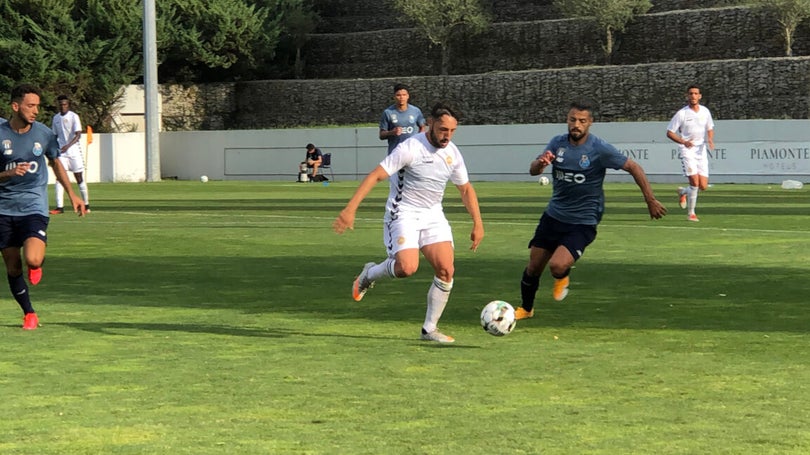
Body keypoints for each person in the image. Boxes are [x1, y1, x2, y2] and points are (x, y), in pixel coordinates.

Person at [334, 102, 484, 343]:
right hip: (403, 212)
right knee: (407, 268)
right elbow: (376, 175)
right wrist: (350, 209)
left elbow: (465, 189)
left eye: (452, 131)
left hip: (433, 215)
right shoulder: (411, 147)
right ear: (431, 124)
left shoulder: (452, 153)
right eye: (443, 129)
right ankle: (369, 274)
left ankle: (429, 329)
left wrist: (478, 223)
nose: (448, 136)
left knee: (446, 270)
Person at [515, 100, 666, 320]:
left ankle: (562, 276)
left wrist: (650, 200)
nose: (576, 124)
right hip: (554, 216)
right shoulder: (557, 143)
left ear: (590, 123)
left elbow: (633, 167)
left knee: (557, 266)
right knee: (533, 267)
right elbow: (532, 170)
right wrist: (541, 163)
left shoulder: (599, 148)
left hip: (583, 221)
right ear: (567, 120)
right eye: (573, 120)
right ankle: (526, 309)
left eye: (582, 121)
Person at [0, 84, 87, 330]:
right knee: (12, 266)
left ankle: (36, 265)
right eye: (30, 105)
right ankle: (29, 313)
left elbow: (56, 162)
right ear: (15, 107)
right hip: (3, 209)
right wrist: (6, 174)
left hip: (33, 206)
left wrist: (72, 195)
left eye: (38, 105)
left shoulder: (44, 134)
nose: (36, 110)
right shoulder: (0, 135)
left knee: (33, 258)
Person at [666, 84, 715, 222]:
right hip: (687, 150)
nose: (693, 96)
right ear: (687, 96)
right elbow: (669, 132)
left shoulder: (705, 111)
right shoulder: (682, 114)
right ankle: (691, 213)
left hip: (701, 150)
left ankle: (683, 192)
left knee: (703, 186)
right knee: (694, 182)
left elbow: (710, 127)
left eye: (695, 93)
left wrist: (710, 139)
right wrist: (683, 142)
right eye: (691, 93)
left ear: (700, 96)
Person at [50, 94, 90, 213]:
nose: (63, 107)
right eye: (61, 105)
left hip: (74, 151)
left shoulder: (74, 116)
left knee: (79, 178)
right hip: (61, 153)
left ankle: (86, 205)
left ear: (68, 105)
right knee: (59, 178)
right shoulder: (56, 118)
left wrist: (68, 145)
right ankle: (59, 207)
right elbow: (54, 135)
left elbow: (78, 134)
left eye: (65, 104)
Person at [379, 83, 427, 155]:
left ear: (408, 96)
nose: (401, 97)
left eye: (404, 95)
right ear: (394, 97)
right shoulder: (388, 112)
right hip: (395, 153)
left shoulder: (415, 111)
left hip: (412, 152)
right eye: (398, 95)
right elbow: (381, 135)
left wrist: (418, 140)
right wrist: (392, 132)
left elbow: (422, 126)